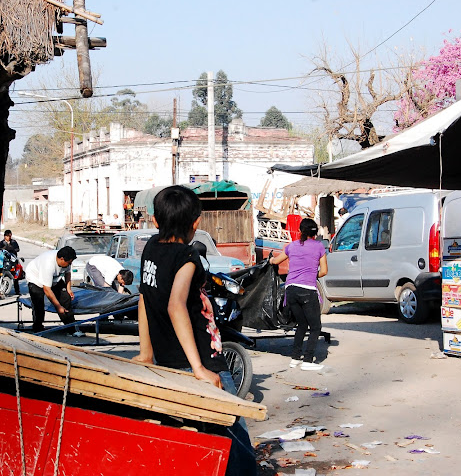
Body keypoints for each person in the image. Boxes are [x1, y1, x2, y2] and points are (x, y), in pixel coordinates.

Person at [132, 185, 256, 476]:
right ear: (196, 222)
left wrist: (146, 353)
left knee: (195, 438)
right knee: (234, 437)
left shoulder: (151, 248)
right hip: (202, 358)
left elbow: (144, 298)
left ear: (155, 220)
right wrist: (199, 368)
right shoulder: (187, 257)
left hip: (168, 359)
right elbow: (176, 305)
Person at [270, 218, 328, 371]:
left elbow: (276, 261)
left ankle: (295, 358)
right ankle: (308, 360)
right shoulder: (319, 246)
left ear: (300, 231)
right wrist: (311, 275)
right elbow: (324, 271)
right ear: (315, 233)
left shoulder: (292, 246)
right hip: (307, 290)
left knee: (302, 324)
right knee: (315, 327)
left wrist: (270, 260)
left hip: (291, 290)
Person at [25, 246, 76, 333]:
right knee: (39, 304)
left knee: (66, 298)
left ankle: (71, 329)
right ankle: (38, 329)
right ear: (61, 259)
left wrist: (69, 289)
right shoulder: (48, 264)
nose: (69, 265)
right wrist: (58, 306)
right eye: (69, 263)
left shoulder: (67, 260)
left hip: (54, 279)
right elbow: (47, 290)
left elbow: (68, 273)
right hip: (35, 278)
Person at [0, 230, 21, 294]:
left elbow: (17, 249)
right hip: (4, 261)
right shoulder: (1, 243)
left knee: (15, 275)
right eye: (8, 236)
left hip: (13, 260)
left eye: (10, 236)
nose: (9, 237)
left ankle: (17, 291)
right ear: (5, 236)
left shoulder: (13, 242)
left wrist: (12, 249)